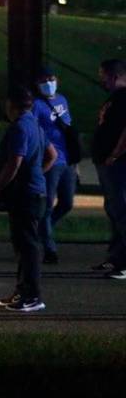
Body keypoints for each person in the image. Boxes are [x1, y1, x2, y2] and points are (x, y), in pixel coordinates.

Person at [0, 86, 57, 313]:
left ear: (11, 105)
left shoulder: (19, 128)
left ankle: (32, 296)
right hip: (36, 192)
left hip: (25, 195)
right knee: (24, 246)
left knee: (27, 247)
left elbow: (14, 161)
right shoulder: (35, 125)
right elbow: (52, 156)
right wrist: (36, 173)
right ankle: (22, 291)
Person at [33, 66, 77, 264]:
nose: (48, 83)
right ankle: (50, 248)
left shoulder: (62, 100)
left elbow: (68, 129)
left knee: (67, 203)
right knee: (48, 204)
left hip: (66, 159)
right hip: (50, 159)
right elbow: (33, 131)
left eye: (51, 79)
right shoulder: (37, 105)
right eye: (44, 80)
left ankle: (43, 229)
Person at [91, 59, 126, 279]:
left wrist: (115, 153)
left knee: (122, 212)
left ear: (114, 75)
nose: (101, 79)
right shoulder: (115, 98)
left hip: (118, 164)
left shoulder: (124, 97)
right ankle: (115, 258)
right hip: (107, 162)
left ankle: (124, 264)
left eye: (102, 74)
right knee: (114, 211)